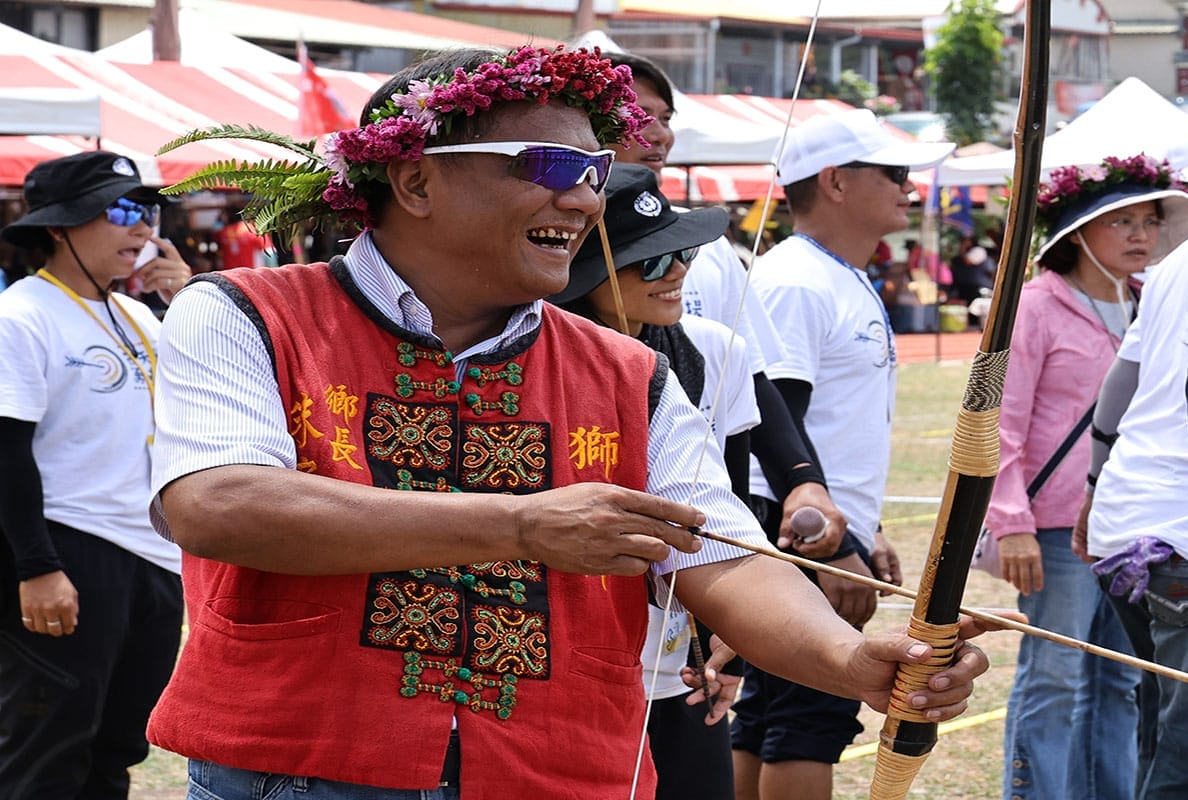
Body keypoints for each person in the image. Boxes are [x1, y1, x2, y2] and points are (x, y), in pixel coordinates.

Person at [146, 46, 997, 800]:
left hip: (555, 769)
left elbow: (725, 556)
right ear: (414, 182)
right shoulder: (245, 311)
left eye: (595, 169)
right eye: (549, 162)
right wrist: (521, 523)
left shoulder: (631, 371)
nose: (586, 197)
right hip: (303, 770)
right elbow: (218, 504)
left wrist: (852, 664)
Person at [738, 108, 955, 800]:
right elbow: (777, 432)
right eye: (893, 173)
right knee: (810, 716)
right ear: (834, 182)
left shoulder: (836, 274)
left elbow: (830, 424)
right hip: (801, 530)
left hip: (827, 528)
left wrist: (869, 527)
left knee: (772, 714)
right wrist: (833, 547)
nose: (909, 186)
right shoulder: (797, 278)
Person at [985, 154, 1188, 800]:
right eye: (1122, 221)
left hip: (1114, 522)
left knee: (1123, 684)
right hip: (1054, 525)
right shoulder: (1035, 306)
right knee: (1053, 678)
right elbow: (998, 417)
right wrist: (1011, 520)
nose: (1141, 234)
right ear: (1077, 234)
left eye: (1149, 220)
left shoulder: (1152, 294)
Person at [549, 162, 757, 799]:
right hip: (575, 655)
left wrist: (734, 633)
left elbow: (736, 507)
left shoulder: (716, 349)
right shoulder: (538, 364)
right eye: (648, 261)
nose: (676, 274)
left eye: (681, 251)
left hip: (685, 657)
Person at [604, 50, 849, 564]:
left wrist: (804, 482)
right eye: (634, 118)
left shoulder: (710, 248)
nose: (658, 135)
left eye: (665, 119)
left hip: (703, 525)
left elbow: (750, 380)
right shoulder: (539, 252)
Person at [0, 150, 192, 799]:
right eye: (120, 211)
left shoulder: (142, 316)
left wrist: (186, 300)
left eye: (146, 211)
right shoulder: (20, 314)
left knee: (118, 748)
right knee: (46, 751)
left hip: (153, 555)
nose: (141, 229)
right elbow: (5, 450)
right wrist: (35, 566)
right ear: (60, 227)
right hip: (67, 550)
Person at [1074, 231, 1188, 800]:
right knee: (1185, 759)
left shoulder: (1181, 259)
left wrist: (1096, 489)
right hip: (1184, 539)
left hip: (1128, 519)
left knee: (1163, 732)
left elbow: (1119, 385)